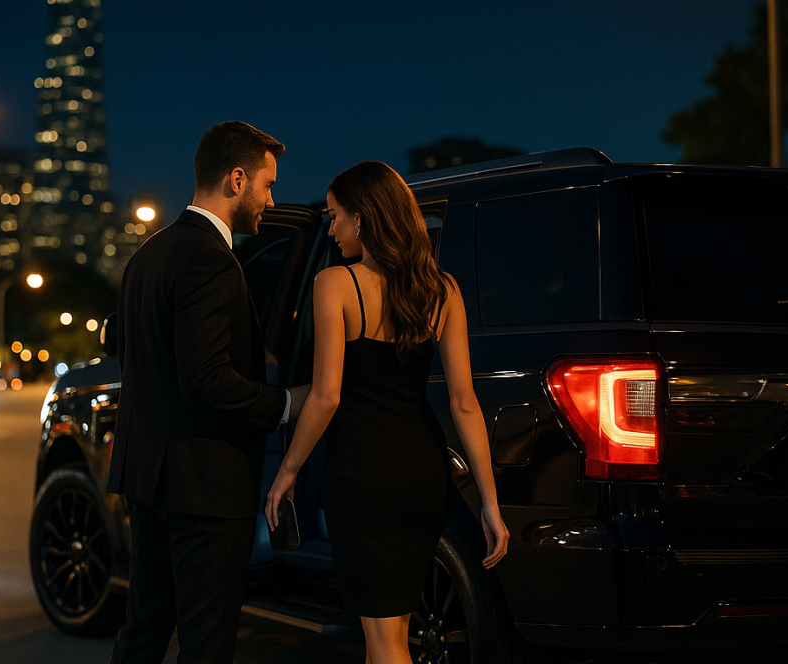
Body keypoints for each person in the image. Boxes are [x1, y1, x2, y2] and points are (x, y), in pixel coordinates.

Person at [265, 161, 510, 664]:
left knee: (383, 643)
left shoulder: (335, 284)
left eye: (335, 216)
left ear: (362, 218)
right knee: (397, 631)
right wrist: (489, 502)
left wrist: (286, 472)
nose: (330, 229)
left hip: (363, 475)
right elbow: (464, 402)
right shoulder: (443, 289)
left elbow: (327, 395)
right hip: (424, 474)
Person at [109, 121, 308, 664]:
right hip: (204, 483)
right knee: (206, 642)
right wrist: (289, 402)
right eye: (268, 184)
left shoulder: (148, 255)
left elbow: (142, 358)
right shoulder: (211, 259)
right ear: (237, 179)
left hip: (147, 474)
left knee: (144, 627)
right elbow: (205, 379)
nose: (271, 199)